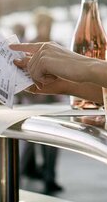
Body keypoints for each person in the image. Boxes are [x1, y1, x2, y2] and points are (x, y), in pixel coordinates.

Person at [18, 11, 63, 196]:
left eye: (50, 24)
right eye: (46, 24)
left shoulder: (56, 46)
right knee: (29, 143)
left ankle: (49, 177)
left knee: (52, 143)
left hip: (51, 102)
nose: (48, 28)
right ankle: (18, 176)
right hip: (32, 103)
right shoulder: (30, 47)